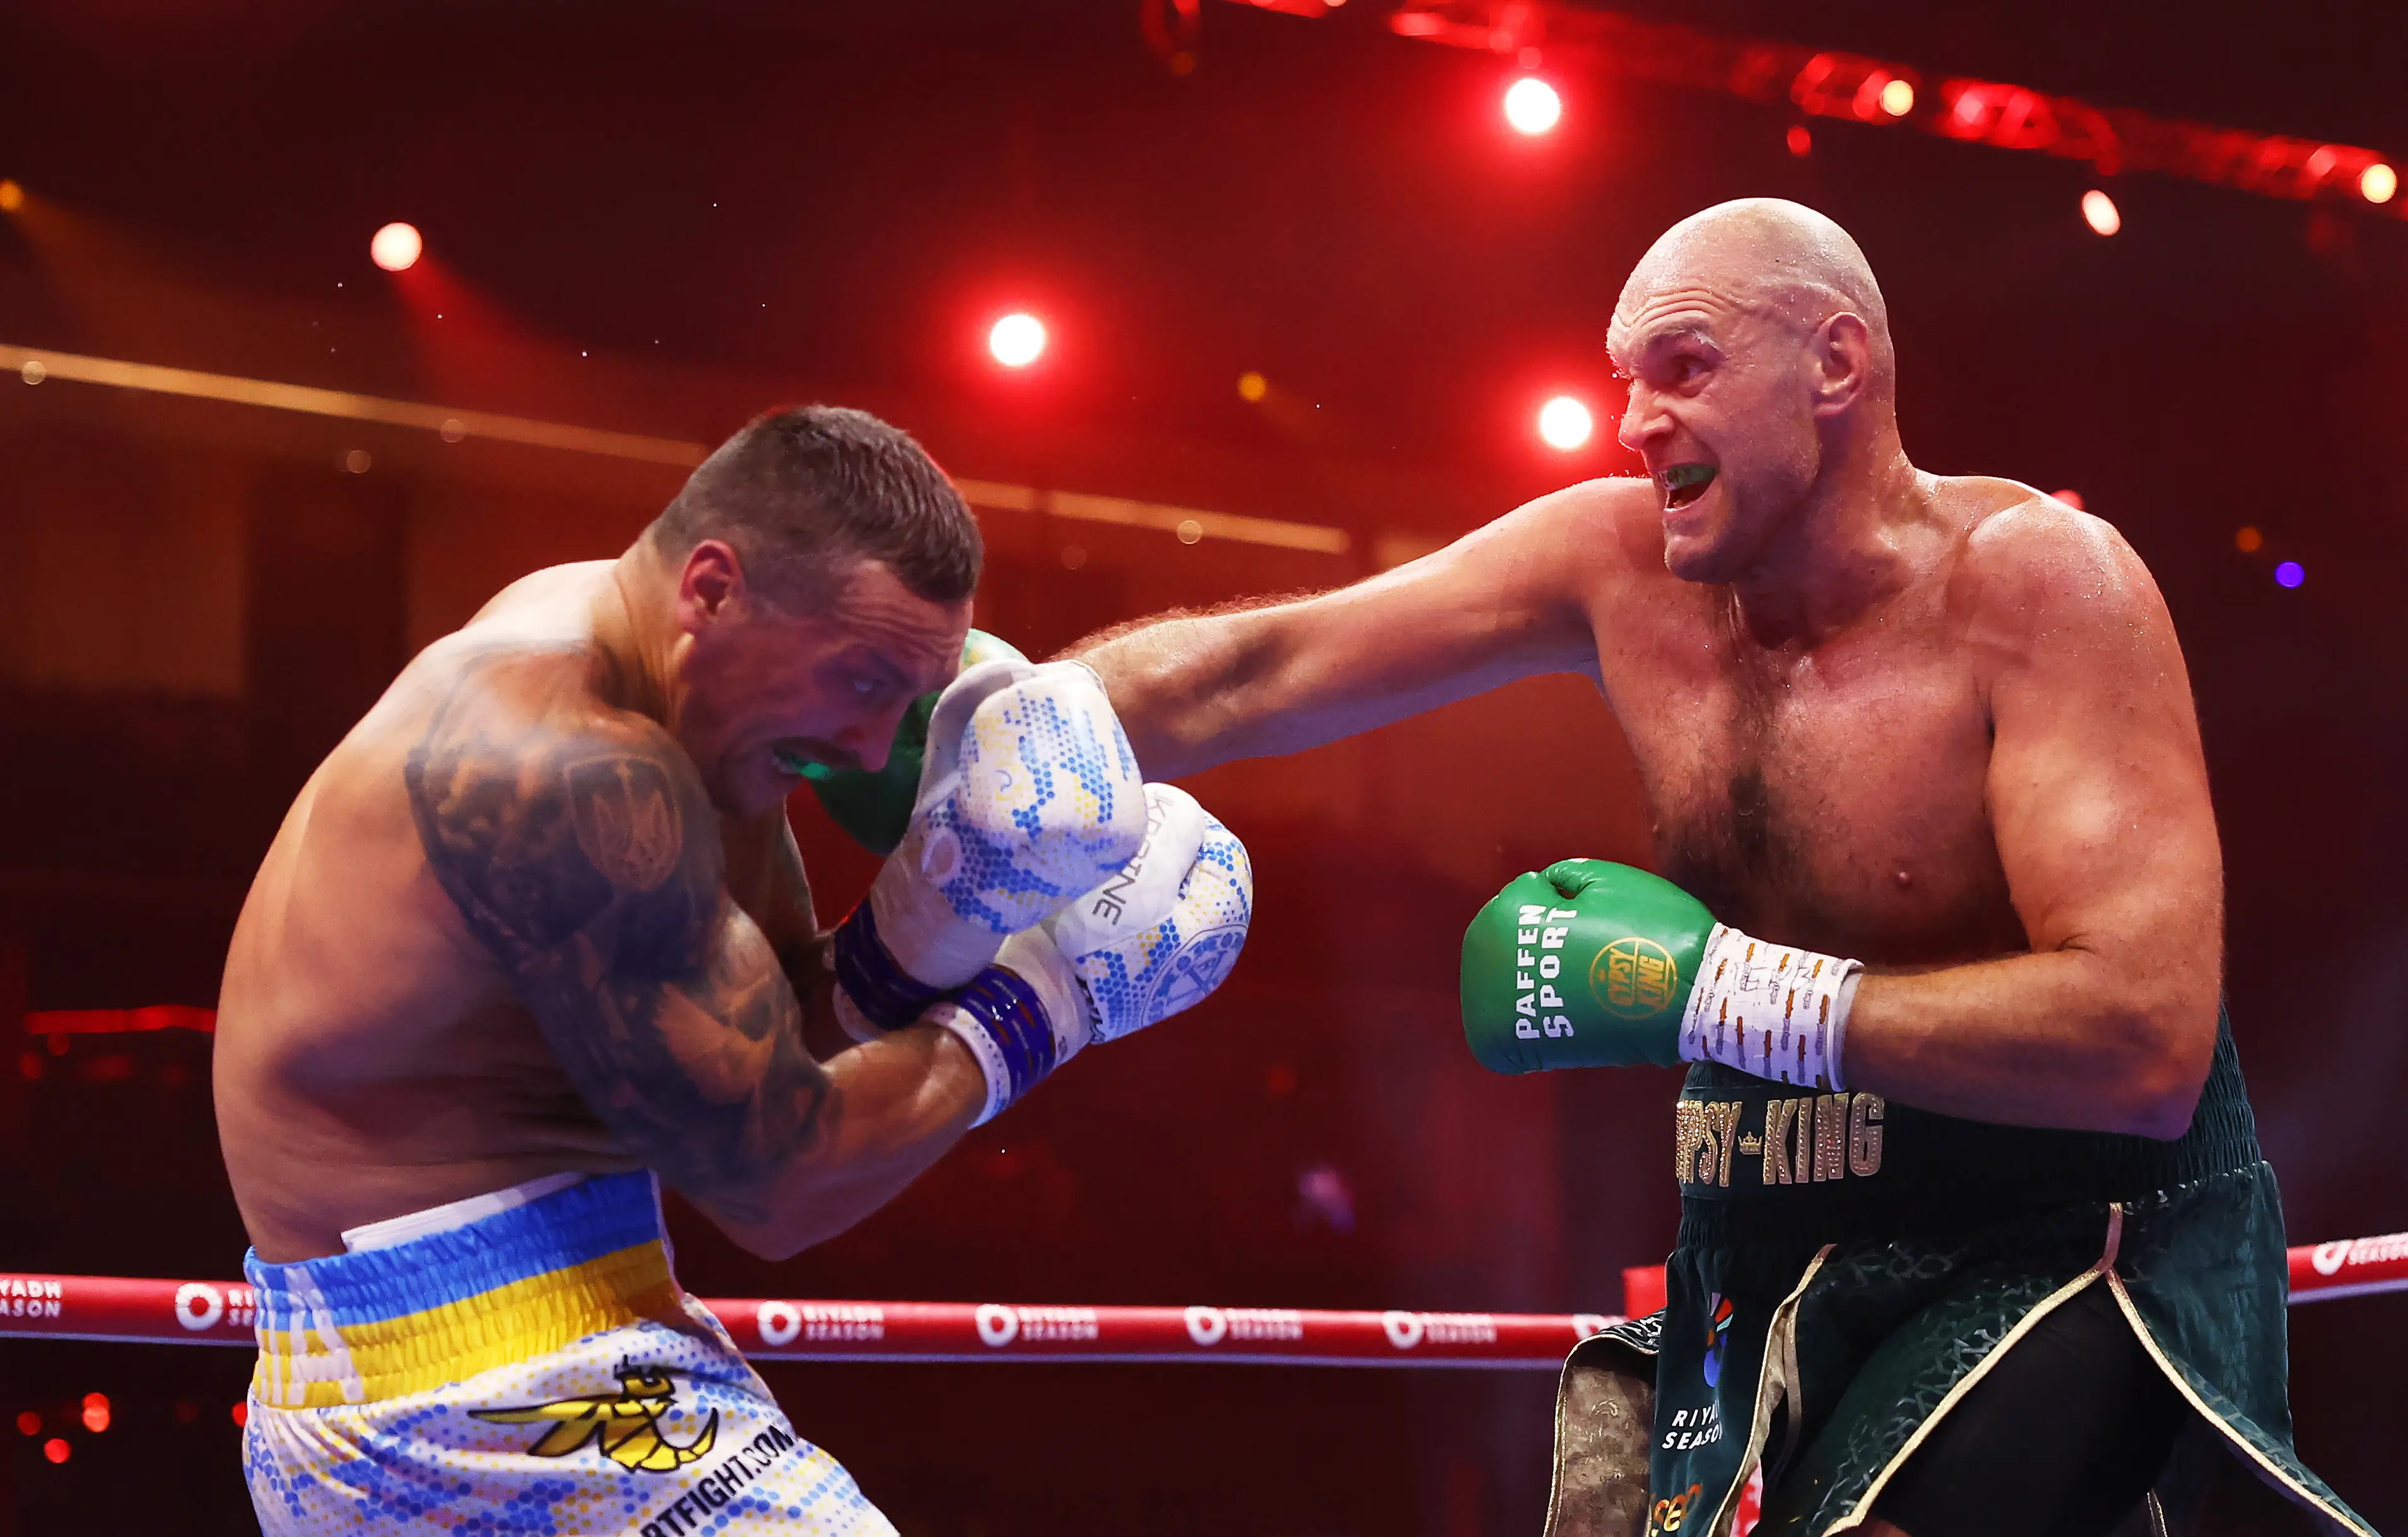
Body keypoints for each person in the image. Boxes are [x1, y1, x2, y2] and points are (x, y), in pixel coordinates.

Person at [1073, 201, 2365, 1537]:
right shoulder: (1613, 563)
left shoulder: (2036, 589)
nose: (1634, 424)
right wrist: (990, 719)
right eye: (1625, 384)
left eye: (1683, 368)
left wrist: (1729, 998)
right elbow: (1259, 667)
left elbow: (2147, 1042)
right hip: (1762, 1249)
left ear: (1836, 366)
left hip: (2058, 1243)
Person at [214, 404, 1252, 1535]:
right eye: (861, 682)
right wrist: (1053, 992)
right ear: (711, 590)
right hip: (479, 1387)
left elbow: (772, 1044)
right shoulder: (561, 765)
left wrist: (939, 913)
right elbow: (779, 1184)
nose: (870, 749)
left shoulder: (666, 685)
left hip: (491, 1359)